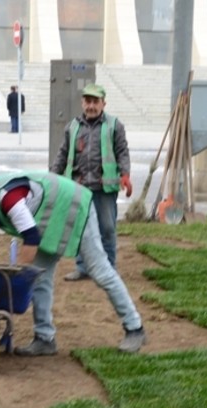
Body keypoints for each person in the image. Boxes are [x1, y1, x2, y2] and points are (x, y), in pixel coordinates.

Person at [0, 171, 147, 356]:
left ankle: (135, 328)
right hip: (49, 218)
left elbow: (31, 238)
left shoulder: (5, 197)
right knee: (40, 279)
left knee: (99, 270)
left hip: (73, 205)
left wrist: (14, 279)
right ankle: (45, 339)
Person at [50, 83, 133, 281]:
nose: (91, 106)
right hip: (79, 187)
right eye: (88, 101)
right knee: (79, 229)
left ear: (103, 103)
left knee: (107, 228)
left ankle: (109, 267)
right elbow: (62, 154)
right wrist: (52, 176)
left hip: (105, 187)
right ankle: (83, 267)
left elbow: (122, 151)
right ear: (82, 103)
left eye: (96, 102)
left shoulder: (114, 125)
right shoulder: (73, 126)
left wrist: (125, 174)